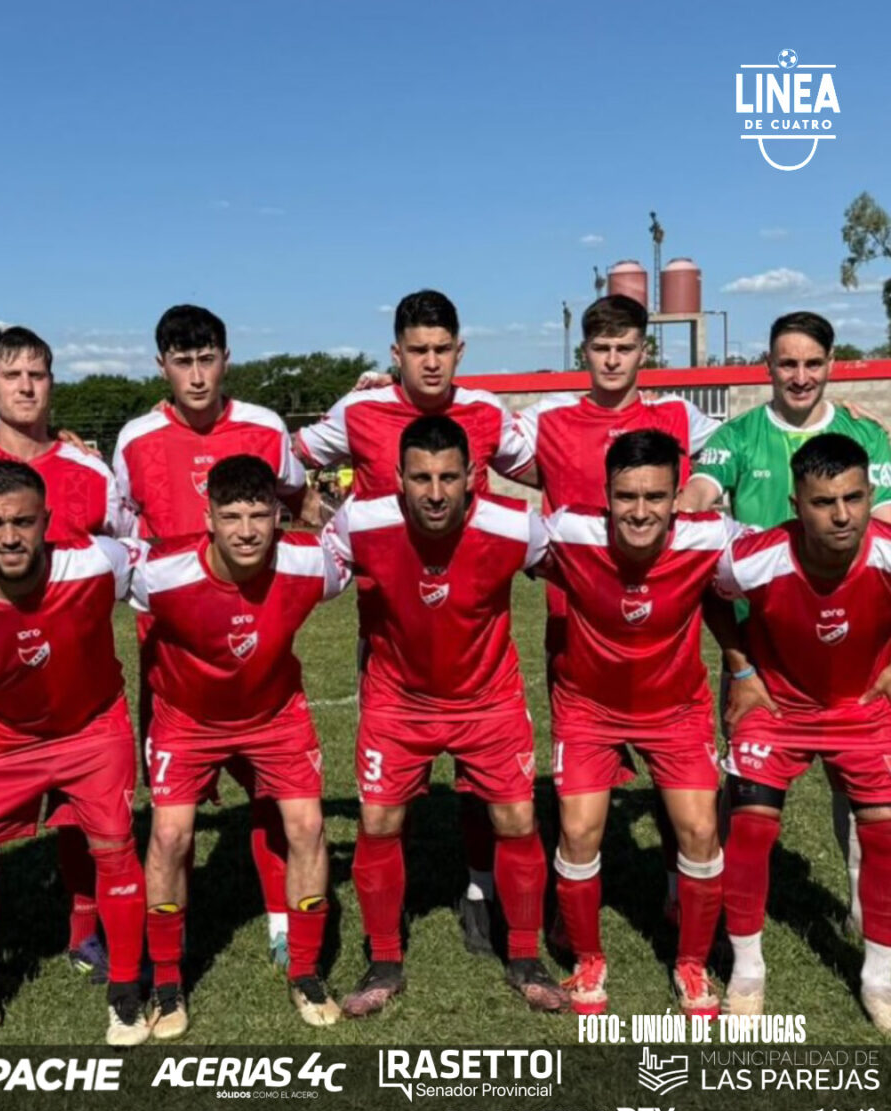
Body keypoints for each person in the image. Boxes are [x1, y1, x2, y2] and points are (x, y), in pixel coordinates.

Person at [297, 289, 535, 956]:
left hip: (471, 616)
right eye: (417, 350)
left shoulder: (485, 412)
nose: (430, 363)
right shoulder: (360, 410)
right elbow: (286, 459)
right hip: (389, 632)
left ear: (460, 351)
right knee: (386, 794)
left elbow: (553, 468)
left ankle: (480, 889)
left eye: (441, 350)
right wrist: (317, 515)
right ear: (395, 354)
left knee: (484, 780)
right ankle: (388, 922)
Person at [324, 414, 566, 1016]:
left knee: (516, 819)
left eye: (449, 478)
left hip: (488, 699)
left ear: (473, 477)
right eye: (421, 478)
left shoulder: (516, 527)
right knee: (378, 822)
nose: (435, 493)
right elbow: (302, 576)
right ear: (398, 478)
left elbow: (582, 569)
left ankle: (525, 957)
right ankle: (384, 962)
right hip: (397, 701)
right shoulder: (359, 522)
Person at [112, 305, 310, 969]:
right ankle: (176, 937)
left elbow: (297, 500)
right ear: (161, 366)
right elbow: (119, 531)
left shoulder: (265, 427)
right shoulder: (136, 439)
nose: (196, 376)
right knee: (173, 812)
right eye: (182, 362)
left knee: (272, 793)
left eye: (206, 360)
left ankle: (281, 919)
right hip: (173, 653)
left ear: (226, 359)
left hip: (257, 641)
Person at [681, 311, 891, 933]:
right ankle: (728, 916)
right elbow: (698, 494)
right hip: (758, 651)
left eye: (812, 363)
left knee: (860, 792)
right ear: (768, 366)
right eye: (788, 363)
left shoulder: (865, 434)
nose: (800, 376)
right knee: (746, 790)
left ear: (831, 365)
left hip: (853, 645)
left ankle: (863, 909)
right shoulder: (739, 435)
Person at [0, 462, 147, 1047]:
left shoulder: (97, 561)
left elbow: (171, 567)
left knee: (114, 847)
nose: (9, 537)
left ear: (46, 521)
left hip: (91, 731)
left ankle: (126, 993)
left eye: (23, 522)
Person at [129, 455, 346, 1035]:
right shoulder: (159, 575)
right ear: (208, 518)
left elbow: (373, 547)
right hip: (186, 719)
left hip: (275, 715)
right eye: (231, 516)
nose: (246, 531)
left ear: (279, 516)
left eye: (258, 515)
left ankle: (305, 972)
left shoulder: (310, 563)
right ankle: (168, 983)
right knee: (170, 835)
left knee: (307, 826)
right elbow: (78, 571)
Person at [539, 430, 749, 1017]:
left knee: (701, 831)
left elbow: (796, 550)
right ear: (606, 495)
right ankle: (587, 959)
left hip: (675, 710)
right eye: (626, 496)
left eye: (655, 497)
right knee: (579, 830)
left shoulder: (710, 537)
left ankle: (691, 963)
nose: (639, 511)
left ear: (677, 497)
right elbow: (484, 537)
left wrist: (747, 666)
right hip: (587, 708)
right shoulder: (569, 531)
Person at [0, 326, 125, 985]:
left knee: (81, 815)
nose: (25, 387)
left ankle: (84, 932)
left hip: (75, 681)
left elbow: (126, 554)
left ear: (52, 383)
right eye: (11, 375)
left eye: (37, 375)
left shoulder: (89, 470)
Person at [716, 433, 891, 1032]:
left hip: (861, 710)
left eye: (853, 498)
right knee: (749, 829)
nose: (842, 515)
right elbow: (712, 596)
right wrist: (741, 668)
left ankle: (880, 979)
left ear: (869, 494)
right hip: (777, 708)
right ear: (796, 504)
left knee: (885, 836)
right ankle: (747, 973)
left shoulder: (886, 551)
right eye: (823, 502)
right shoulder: (753, 558)